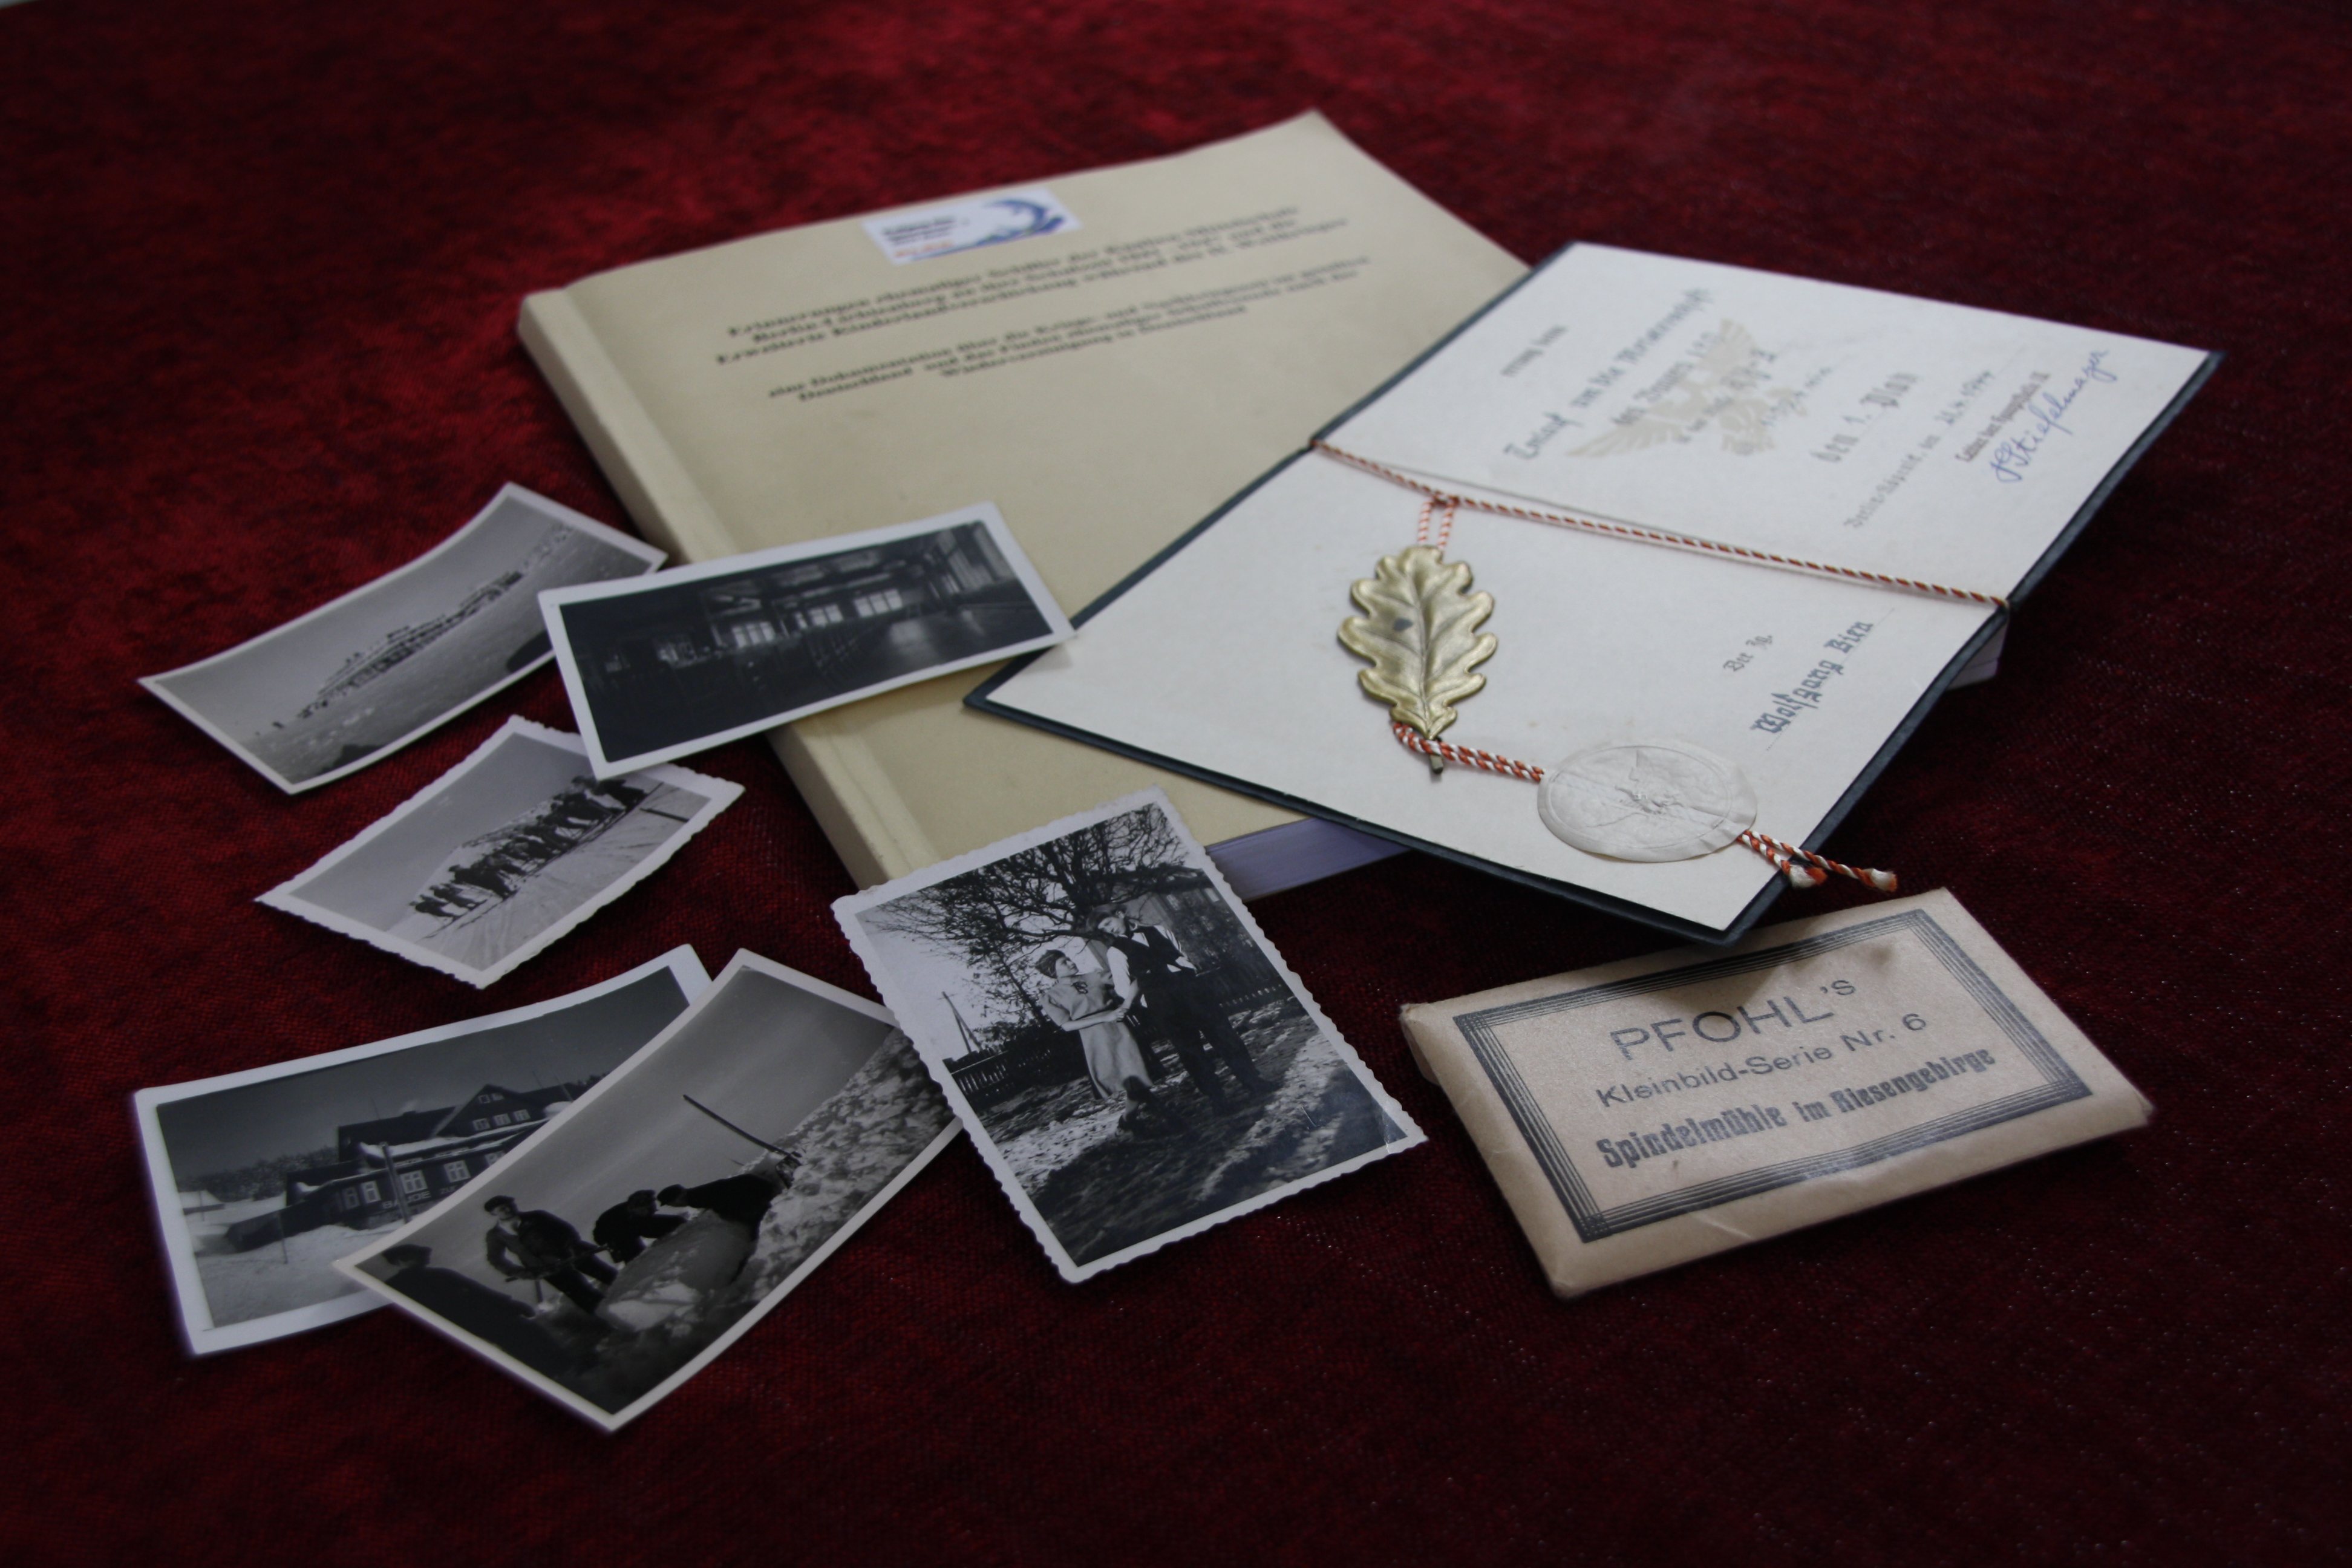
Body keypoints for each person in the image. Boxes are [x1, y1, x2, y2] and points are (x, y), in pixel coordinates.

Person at [1093, 907, 1275, 1110]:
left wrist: (1189, 977)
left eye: (1108, 923)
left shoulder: (1158, 930)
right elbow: (1122, 988)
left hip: (1192, 991)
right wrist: (1153, 1001)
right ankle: (1218, 1101)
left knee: (1225, 1036)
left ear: (1120, 914)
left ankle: (1253, 1082)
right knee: (1191, 1052)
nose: (1109, 930)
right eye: (1104, 929)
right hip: (1164, 1003)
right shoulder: (1115, 951)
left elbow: (1181, 955)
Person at [1034, 949, 1189, 1137]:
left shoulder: (1095, 976)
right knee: (1133, 1081)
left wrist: (1126, 1004)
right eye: (1063, 963)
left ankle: (1132, 1121)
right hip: (1096, 1039)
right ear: (1053, 971)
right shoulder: (1051, 996)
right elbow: (1066, 1025)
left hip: (1121, 1030)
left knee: (1136, 1078)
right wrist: (1105, 1017)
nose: (1070, 962)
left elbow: (1135, 981)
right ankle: (1160, 1119)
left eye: (1068, 958)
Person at [379, 1244, 578, 1381]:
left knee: (520, 1343)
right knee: (528, 1337)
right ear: (402, 1259)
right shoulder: (435, 1276)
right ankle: (563, 1371)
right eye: (418, 1254)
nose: (426, 1256)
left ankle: (556, 1373)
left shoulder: (398, 1285)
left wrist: (511, 1305)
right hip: (484, 1318)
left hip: (472, 1324)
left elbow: (479, 1291)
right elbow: (479, 1292)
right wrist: (512, 1305)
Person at [482, 1195, 616, 1315]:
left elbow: (567, 1231)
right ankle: (613, 1319)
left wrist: (572, 1248)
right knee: (586, 1299)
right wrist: (523, 1273)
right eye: (502, 1209)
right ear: (494, 1213)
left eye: (510, 1205)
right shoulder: (496, 1235)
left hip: (576, 1257)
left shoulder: (537, 1217)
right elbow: (495, 1259)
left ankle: (628, 1298)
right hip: (549, 1271)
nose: (508, 1209)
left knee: (611, 1278)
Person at [592, 1189, 684, 1265]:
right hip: (619, 1236)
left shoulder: (644, 1211)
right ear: (633, 1208)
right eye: (643, 1210)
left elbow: (652, 1220)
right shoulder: (613, 1218)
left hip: (634, 1226)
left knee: (676, 1222)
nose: (646, 1212)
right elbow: (600, 1237)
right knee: (637, 1259)